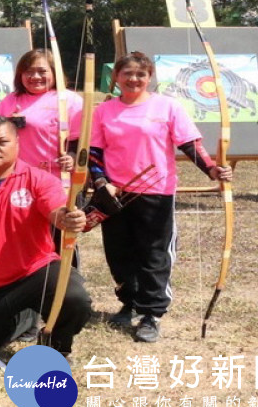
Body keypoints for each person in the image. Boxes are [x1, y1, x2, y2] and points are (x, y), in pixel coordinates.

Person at [89, 52, 232, 343]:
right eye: (127, 73)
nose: (133, 79)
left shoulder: (167, 106)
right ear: (116, 76)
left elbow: (190, 144)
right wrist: (101, 183)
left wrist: (213, 169)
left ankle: (151, 314)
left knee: (153, 253)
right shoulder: (104, 111)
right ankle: (128, 302)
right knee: (119, 252)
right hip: (116, 193)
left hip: (156, 191)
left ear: (149, 77)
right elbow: (94, 153)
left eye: (140, 74)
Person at [0, 115, 93, 357]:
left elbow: (56, 210)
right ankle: (25, 318)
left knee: (74, 298)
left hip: (32, 272)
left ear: (17, 144)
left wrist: (67, 218)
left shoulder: (39, 179)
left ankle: (56, 344)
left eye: (2, 141)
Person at [0, 49, 84, 177]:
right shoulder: (10, 99)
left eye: (42, 72)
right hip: (18, 177)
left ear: (55, 73)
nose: (35, 77)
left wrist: (72, 156)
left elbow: (82, 141)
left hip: (57, 178)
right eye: (28, 72)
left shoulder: (71, 100)